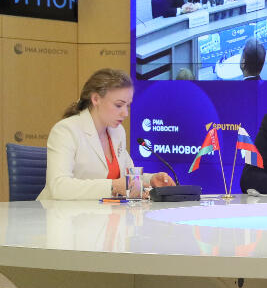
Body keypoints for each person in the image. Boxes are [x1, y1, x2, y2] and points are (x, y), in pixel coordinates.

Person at [38, 69, 175, 200]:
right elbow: (59, 187)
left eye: (127, 106)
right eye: (118, 105)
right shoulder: (66, 130)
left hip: (101, 213)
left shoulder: (118, 131)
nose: (125, 113)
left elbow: (128, 177)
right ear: (96, 99)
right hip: (56, 213)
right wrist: (113, 186)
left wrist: (151, 180)